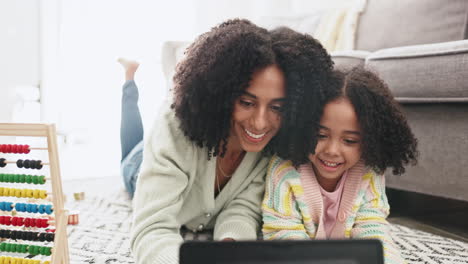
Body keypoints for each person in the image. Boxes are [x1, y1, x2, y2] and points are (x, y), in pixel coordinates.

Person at [128, 19, 333, 264]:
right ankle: (128, 83)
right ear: (223, 95)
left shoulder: (275, 143)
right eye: (247, 103)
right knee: (129, 153)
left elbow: (243, 209)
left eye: (277, 107)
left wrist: (230, 249)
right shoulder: (174, 126)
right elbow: (151, 229)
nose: (260, 123)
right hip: (141, 164)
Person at [262, 67, 418, 264]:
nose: (332, 150)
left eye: (350, 141)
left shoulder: (369, 171)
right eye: (321, 136)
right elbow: (282, 232)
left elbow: (373, 227)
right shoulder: (285, 170)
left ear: (369, 141)